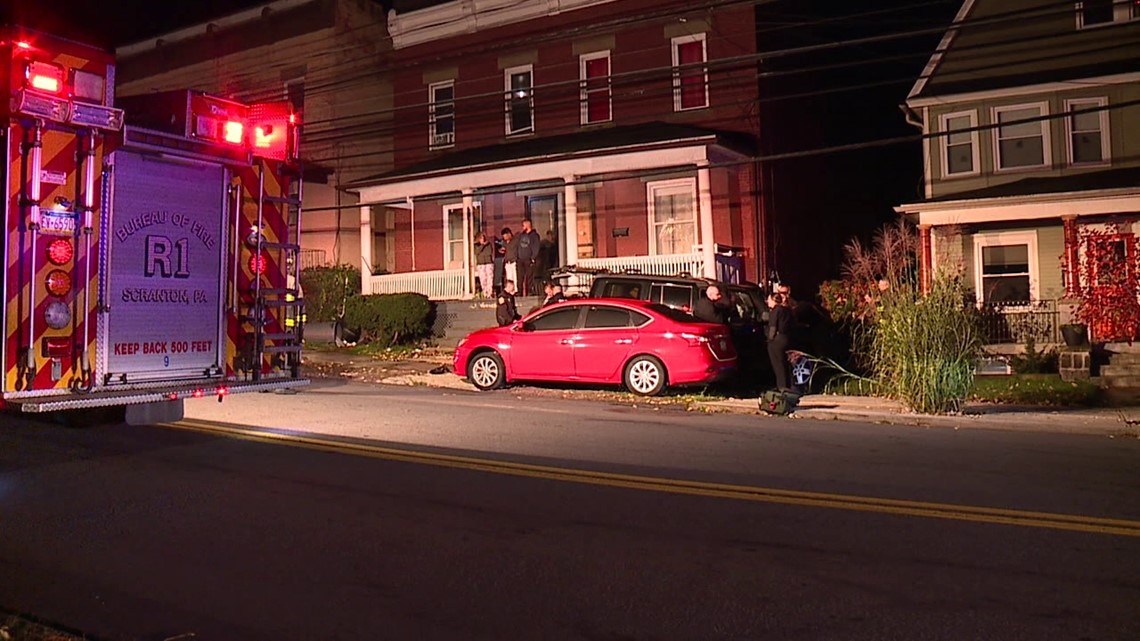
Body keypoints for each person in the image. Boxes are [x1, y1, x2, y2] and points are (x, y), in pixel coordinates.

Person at [766, 291, 794, 392]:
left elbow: (773, 327)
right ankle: (790, 385)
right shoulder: (787, 311)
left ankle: (781, 386)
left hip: (777, 340)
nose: (767, 302)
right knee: (785, 363)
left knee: (778, 364)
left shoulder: (775, 311)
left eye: (769, 299)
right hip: (786, 338)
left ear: (774, 300)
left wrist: (770, 340)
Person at [514, 218, 541, 297]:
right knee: (519, 277)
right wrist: (517, 256)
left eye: (524, 225)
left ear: (528, 225)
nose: (522, 227)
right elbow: (517, 246)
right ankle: (519, 292)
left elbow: (536, 247)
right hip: (520, 259)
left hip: (529, 259)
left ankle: (530, 291)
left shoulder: (534, 236)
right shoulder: (521, 236)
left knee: (529, 276)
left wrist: (533, 257)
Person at [473, 232, 494, 299]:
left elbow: (489, 252)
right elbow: (477, 252)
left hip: (488, 263)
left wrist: (484, 247)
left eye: (483, 237)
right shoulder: (476, 245)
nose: (483, 239)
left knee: (489, 279)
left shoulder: (488, 244)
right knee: (483, 279)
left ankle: (489, 294)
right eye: (481, 237)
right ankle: (485, 293)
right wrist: (482, 245)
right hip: (481, 264)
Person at [500, 227, 517, 295]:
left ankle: (515, 291)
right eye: (504, 237)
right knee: (509, 278)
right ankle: (510, 291)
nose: (505, 238)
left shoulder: (515, 241)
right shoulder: (504, 242)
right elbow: (503, 249)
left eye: (505, 236)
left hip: (514, 261)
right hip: (507, 262)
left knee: (515, 277)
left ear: (509, 234)